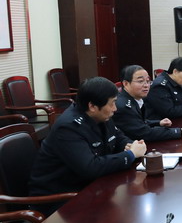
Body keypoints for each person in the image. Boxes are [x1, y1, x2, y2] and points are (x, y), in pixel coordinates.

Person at [29, 77, 147, 214]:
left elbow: (117, 136)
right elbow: (91, 167)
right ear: (92, 106)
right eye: (112, 104)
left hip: (89, 187)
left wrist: (130, 145)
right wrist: (130, 155)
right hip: (59, 199)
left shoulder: (101, 116)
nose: (115, 108)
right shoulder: (68, 127)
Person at [113, 65, 182, 141]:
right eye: (140, 81)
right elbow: (145, 133)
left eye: (148, 81)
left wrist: (158, 122)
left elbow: (139, 122)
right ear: (126, 83)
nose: (146, 85)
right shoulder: (124, 106)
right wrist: (180, 131)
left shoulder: (135, 99)